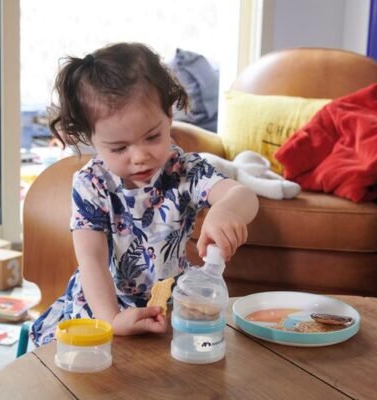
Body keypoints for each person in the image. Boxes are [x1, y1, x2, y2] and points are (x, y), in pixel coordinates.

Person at [30, 42, 259, 346]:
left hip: (168, 308)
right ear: (93, 139)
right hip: (102, 307)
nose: (139, 156)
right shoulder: (91, 184)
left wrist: (226, 210)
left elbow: (242, 195)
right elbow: (92, 261)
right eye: (119, 147)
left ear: (169, 116)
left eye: (152, 136)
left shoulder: (185, 170)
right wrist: (111, 319)